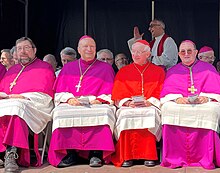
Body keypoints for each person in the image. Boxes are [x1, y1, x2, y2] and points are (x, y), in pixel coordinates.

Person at [48, 35, 116, 168]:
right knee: (59, 113)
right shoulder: (68, 68)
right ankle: (69, 153)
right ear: (78, 49)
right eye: (86, 46)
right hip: (72, 102)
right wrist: (69, 99)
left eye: (92, 47)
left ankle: (95, 153)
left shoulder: (106, 68)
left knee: (104, 112)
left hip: (96, 104)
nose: (89, 49)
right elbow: (58, 92)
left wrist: (99, 100)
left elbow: (111, 93)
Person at [160, 40, 220, 169]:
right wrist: (176, 99)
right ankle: (175, 157)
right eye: (183, 51)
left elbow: (216, 90)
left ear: (196, 52)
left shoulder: (209, 68)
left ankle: (205, 156)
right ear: (179, 54)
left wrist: (207, 97)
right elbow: (167, 93)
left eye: (189, 51)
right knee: (167, 107)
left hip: (202, 103)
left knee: (212, 109)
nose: (186, 54)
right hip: (181, 103)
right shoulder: (173, 71)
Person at [0, 37, 55, 172]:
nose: (22, 52)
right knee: (12, 106)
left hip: (34, 107)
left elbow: (46, 96)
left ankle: (11, 154)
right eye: (19, 49)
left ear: (34, 50)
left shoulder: (44, 67)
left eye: (26, 48)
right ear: (15, 53)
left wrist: (22, 97)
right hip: (11, 103)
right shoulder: (12, 70)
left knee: (17, 107)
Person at [111, 40, 165, 167]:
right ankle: (126, 156)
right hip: (129, 106)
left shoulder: (159, 72)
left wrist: (150, 102)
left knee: (150, 114)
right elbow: (118, 93)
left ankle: (149, 155)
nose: (135, 54)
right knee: (125, 115)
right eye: (133, 51)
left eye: (139, 52)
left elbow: (162, 91)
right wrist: (128, 102)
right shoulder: (123, 72)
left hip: (149, 105)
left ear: (148, 54)